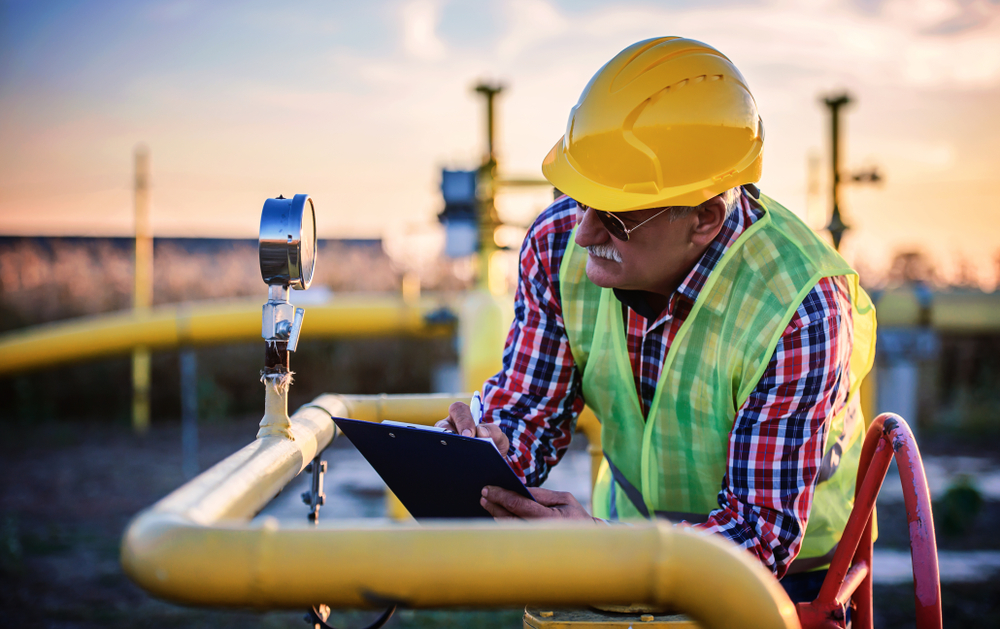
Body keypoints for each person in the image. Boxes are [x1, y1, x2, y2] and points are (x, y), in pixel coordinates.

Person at [438, 37, 876, 602]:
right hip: (618, 541)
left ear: (705, 217)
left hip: (789, 581)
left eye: (616, 215)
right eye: (579, 196)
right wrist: (486, 455)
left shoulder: (798, 306)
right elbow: (530, 410)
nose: (584, 232)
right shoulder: (554, 248)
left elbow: (759, 532)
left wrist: (602, 552)